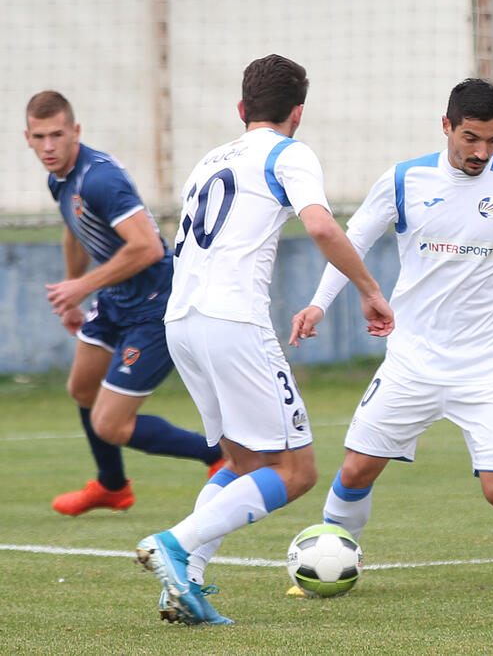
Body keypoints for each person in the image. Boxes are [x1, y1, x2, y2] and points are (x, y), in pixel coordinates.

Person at [288, 78, 493, 581]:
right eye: (470, 137)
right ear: (446, 126)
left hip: (487, 369)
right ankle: (328, 559)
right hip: (412, 361)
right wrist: (317, 304)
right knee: (355, 470)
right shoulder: (404, 180)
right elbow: (351, 241)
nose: (481, 151)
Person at [135, 54, 394, 624]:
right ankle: (174, 545)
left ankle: (187, 584)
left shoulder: (206, 161)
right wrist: (371, 289)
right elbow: (322, 225)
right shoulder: (289, 151)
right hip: (233, 322)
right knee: (296, 472)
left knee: (245, 460)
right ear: (297, 113)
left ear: (241, 108)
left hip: (181, 322)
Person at [24, 91, 224, 517]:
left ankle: (219, 454)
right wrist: (74, 289)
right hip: (117, 298)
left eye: (57, 135)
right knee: (81, 388)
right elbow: (74, 227)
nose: (48, 146)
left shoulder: (98, 179)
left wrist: (82, 289)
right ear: (27, 137)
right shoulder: (59, 178)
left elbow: (148, 247)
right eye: (39, 137)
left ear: (75, 131)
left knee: (110, 424)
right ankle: (112, 487)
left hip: (155, 302)